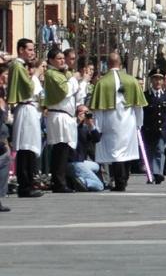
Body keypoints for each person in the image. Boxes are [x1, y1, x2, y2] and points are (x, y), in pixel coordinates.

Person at [91, 52, 148, 191]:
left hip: (110, 120)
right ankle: (124, 178)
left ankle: (119, 181)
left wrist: (96, 127)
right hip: (128, 120)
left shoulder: (102, 82)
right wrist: (139, 123)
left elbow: (98, 110)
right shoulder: (132, 80)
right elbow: (138, 106)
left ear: (108, 64)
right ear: (120, 63)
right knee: (127, 151)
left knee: (115, 153)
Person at [43, 46, 85, 192]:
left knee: (64, 149)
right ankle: (59, 182)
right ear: (51, 60)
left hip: (66, 115)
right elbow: (65, 90)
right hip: (58, 114)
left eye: (62, 58)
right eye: (59, 59)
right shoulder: (51, 74)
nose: (62, 61)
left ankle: (62, 181)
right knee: (60, 149)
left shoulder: (63, 73)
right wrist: (73, 79)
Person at [6, 38, 43, 198]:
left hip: (30, 109)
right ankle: (25, 185)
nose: (32, 53)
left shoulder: (20, 66)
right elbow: (29, 88)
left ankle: (28, 182)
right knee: (25, 147)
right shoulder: (18, 66)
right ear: (21, 50)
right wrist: (34, 76)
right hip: (25, 108)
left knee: (29, 147)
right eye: (29, 49)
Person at [141, 70, 166, 184]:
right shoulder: (145, 95)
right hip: (149, 130)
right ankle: (150, 175)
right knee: (149, 153)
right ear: (151, 80)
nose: (158, 81)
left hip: (161, 129)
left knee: (160, 151)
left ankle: (158, 173)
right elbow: (142, 114)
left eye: (160, 79)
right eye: (155, 79)